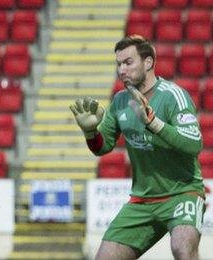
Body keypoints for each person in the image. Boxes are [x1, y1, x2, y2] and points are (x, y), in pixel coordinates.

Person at [70, 35, 204, 259]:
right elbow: (103, 147)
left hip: (183, 193)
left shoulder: (174, 96)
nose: (121, 70)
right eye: (119, 64)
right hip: (142, 201)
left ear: (148, 62)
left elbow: (194, 145)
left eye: (128, 62)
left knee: (183, 249)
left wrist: (154, 123)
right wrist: (90, 132)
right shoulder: (121, 100)